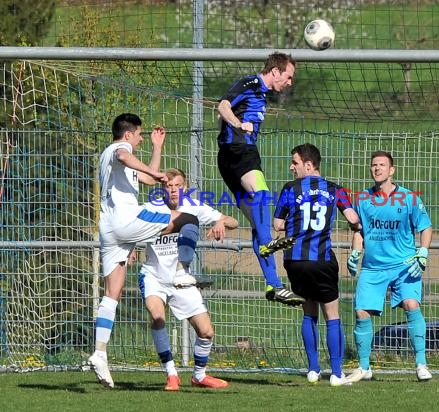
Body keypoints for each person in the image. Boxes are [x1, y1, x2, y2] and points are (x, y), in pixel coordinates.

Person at [90, 113, 200, 389]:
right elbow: (129, 159)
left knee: (112, 292)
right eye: (140, 134)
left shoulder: (114, 159)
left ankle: (100, 352)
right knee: (187, 219)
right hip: (126, 221)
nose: (140, 138)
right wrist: (156, 172)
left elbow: (149, 181)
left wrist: (157, 147)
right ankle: (182, 270)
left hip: (109, 229)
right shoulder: (119, 150)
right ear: (128, 134)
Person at [138, 168, 239, 391]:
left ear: (185, 188)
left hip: (182, 277)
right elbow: (131, 229)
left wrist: (220, 222)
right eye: (168, 186)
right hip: (153, 275)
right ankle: (172, 374)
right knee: (157, 317)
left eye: (178, 186)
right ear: (162, 188)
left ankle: (199, 376)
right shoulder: (150, 208)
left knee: (207, 332)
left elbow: (233, 221)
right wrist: (129, 249)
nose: (173, 190)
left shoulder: (195, 207)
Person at [217, 52, 303, 306]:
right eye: (288, 77)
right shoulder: (250, 84)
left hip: (228, 160)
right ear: (275, 71)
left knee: (258, 221)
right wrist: (237, 124)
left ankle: (274, 285)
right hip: (240, 152)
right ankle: (267, 245)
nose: (289, 82)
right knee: (263, 195)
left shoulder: (262, 95)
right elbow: (222, 106)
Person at [273, 143, 361, 386]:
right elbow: (353, 218)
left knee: (308, 312)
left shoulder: (290, 189)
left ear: (309, 165)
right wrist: (356, 230)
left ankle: (313, 370)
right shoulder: (335, 189)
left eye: (295, 162)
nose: (292, 167)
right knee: (332, 314)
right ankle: (336, 373)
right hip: (321, 260)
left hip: (295, 260)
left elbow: (277, 224)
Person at [346, 150, 434, 383]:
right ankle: (364, 367)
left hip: (404, 266)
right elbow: (359, 232)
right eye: (374, 165)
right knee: (361, 312)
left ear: (391, 170)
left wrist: (422, 253)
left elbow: (426, 227)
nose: (377, 168)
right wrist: (355, 252)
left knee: (411, 304)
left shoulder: (408, 198)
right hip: (373, 267)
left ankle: (421, 364)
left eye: (382, 165)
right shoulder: (362, 199)